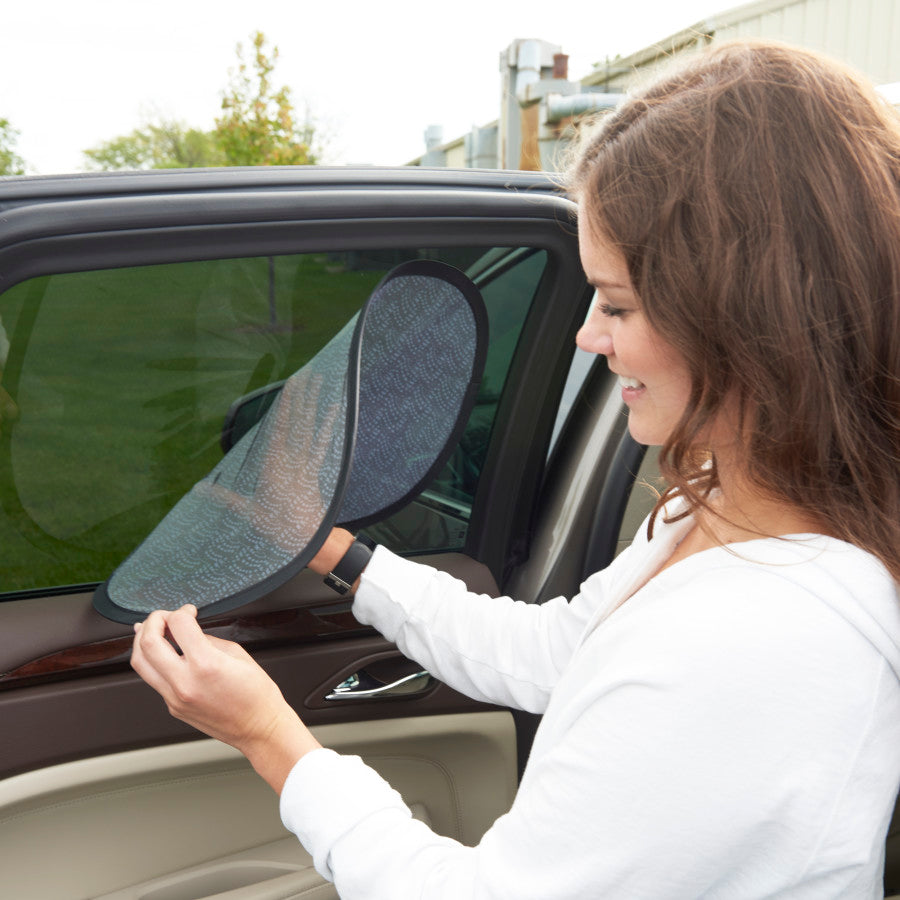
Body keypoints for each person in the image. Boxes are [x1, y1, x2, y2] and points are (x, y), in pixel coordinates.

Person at [131, 40, 900, 897]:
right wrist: (334, 550)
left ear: (741, 313)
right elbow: (555, 651)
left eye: (616, 304)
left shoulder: (761, 639)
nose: (586, 336)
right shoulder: (724, 512)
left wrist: (267, 733)